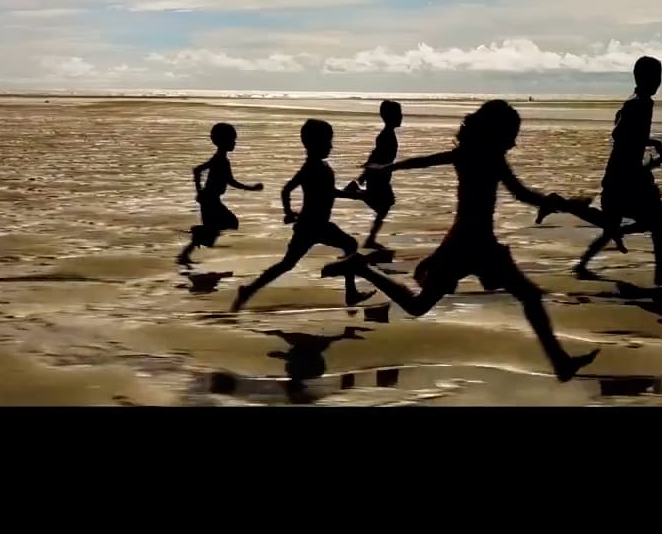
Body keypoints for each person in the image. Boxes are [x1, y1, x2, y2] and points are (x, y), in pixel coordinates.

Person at [321, 100, 600, 382]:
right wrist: (563, 204)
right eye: (511, 135)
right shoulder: (486, 157)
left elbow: (429, 162)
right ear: (496, 132)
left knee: (520, 297)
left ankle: (561, 362)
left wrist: (386, 168)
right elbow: (520, 194)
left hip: (475, 242)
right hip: (470, 245)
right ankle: (361, 267)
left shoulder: (475, 154)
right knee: (427, 305)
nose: (514, 143)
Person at [230, 119, 370, 312]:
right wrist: (288, 212)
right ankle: (351, 293)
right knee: (347, 246)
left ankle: (249, 290)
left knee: (288, 263)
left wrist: (352, 195)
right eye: (327, 142)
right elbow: (287, 190)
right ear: (312, 144)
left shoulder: (320, 166)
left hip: (315, 225)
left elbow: (326, 191)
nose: (330, 146)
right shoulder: (312, 167)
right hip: (312, 226)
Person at [573, 55, 662, 285]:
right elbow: (622, 136)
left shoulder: (640, 102)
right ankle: (661, 271)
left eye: (659, 77)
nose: (658, 82)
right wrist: (653, 147)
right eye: (655, 77)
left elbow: (629, 140)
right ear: (642, 78)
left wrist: (651, 154)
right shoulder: (638, 104)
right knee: (656, 216)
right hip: (622, 178)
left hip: (624, 175)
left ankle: (582, 263)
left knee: (618, 222)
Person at [177, 123, 262, 268]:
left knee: (221, 226)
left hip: (211, 199)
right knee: (228, 223)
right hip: (210, 200)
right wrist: (200, 192)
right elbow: (200, 171)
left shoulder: (220, 158)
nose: (234, 143)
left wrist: (200, 193)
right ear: (223, 142)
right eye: (232, 140)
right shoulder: (220, 160)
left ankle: (188, 250)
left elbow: (201, 172)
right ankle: (193, 240)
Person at [349, 100, 403, 251]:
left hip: (381, 175)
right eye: (398, 115)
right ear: (389, 117)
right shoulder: (386, 136)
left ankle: (371, 238)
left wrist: (364, 174)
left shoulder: (388, 135)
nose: (401, 117)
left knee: (384, 205)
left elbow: (374, 155)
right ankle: (357, 194)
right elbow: (376, 156)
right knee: (384, 204)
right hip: (378, 175)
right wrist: (365, 174)